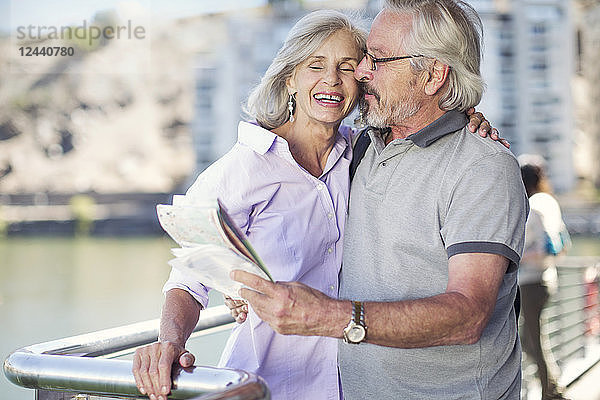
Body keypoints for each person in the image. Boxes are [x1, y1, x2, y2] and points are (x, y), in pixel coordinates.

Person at [132, 8, 499, 400]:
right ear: (290, 77)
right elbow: (189, 278)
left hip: (351, 388)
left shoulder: (362, 154)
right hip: (265, 385)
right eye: (316, 66)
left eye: (346, 67)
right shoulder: (243, 168)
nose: (331, 81)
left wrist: (467, 119)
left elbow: (429, 129)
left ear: (362, 81)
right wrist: (171, 341)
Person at [232, 1, 529, 399]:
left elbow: (468, 316)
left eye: (379, 59)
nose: (361, 71)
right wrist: (240, 286)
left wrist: (329, 317)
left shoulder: (483, 166)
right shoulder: (359, 150)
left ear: (433, 76)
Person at [519, 154, 570, 400]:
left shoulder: (533, 206)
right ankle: (551, 387)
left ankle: (552, 392)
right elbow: (562, 244)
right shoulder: (550, 202)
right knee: (530, 338)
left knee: (532, 340)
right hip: (547, 279)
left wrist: (515, 256)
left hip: (530, 282)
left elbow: (540, 247)